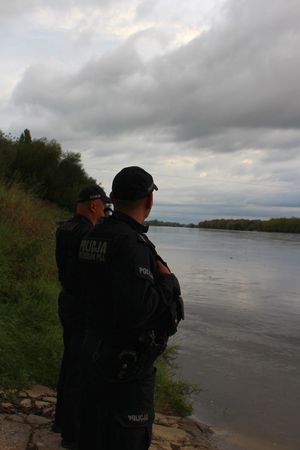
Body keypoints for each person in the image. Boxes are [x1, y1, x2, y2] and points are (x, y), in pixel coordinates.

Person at [78, 166, 184, 450]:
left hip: (94, 350)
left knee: (95, 432)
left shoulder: (93, 235)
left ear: (112, 197)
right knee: (126, 438)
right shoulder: (131, 244)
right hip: (125, 367)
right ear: (149, 201)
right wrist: (168, 282)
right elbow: (139, 309)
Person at [53, 185, 110, 450]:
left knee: (69, 361)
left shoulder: (64, 228)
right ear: (93, 205)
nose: (105, 210)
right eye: (103, 205)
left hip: (66, 299)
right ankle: (72, 434)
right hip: (82, 306)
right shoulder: (89, 233)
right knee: (79, 368)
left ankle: (61, 420)